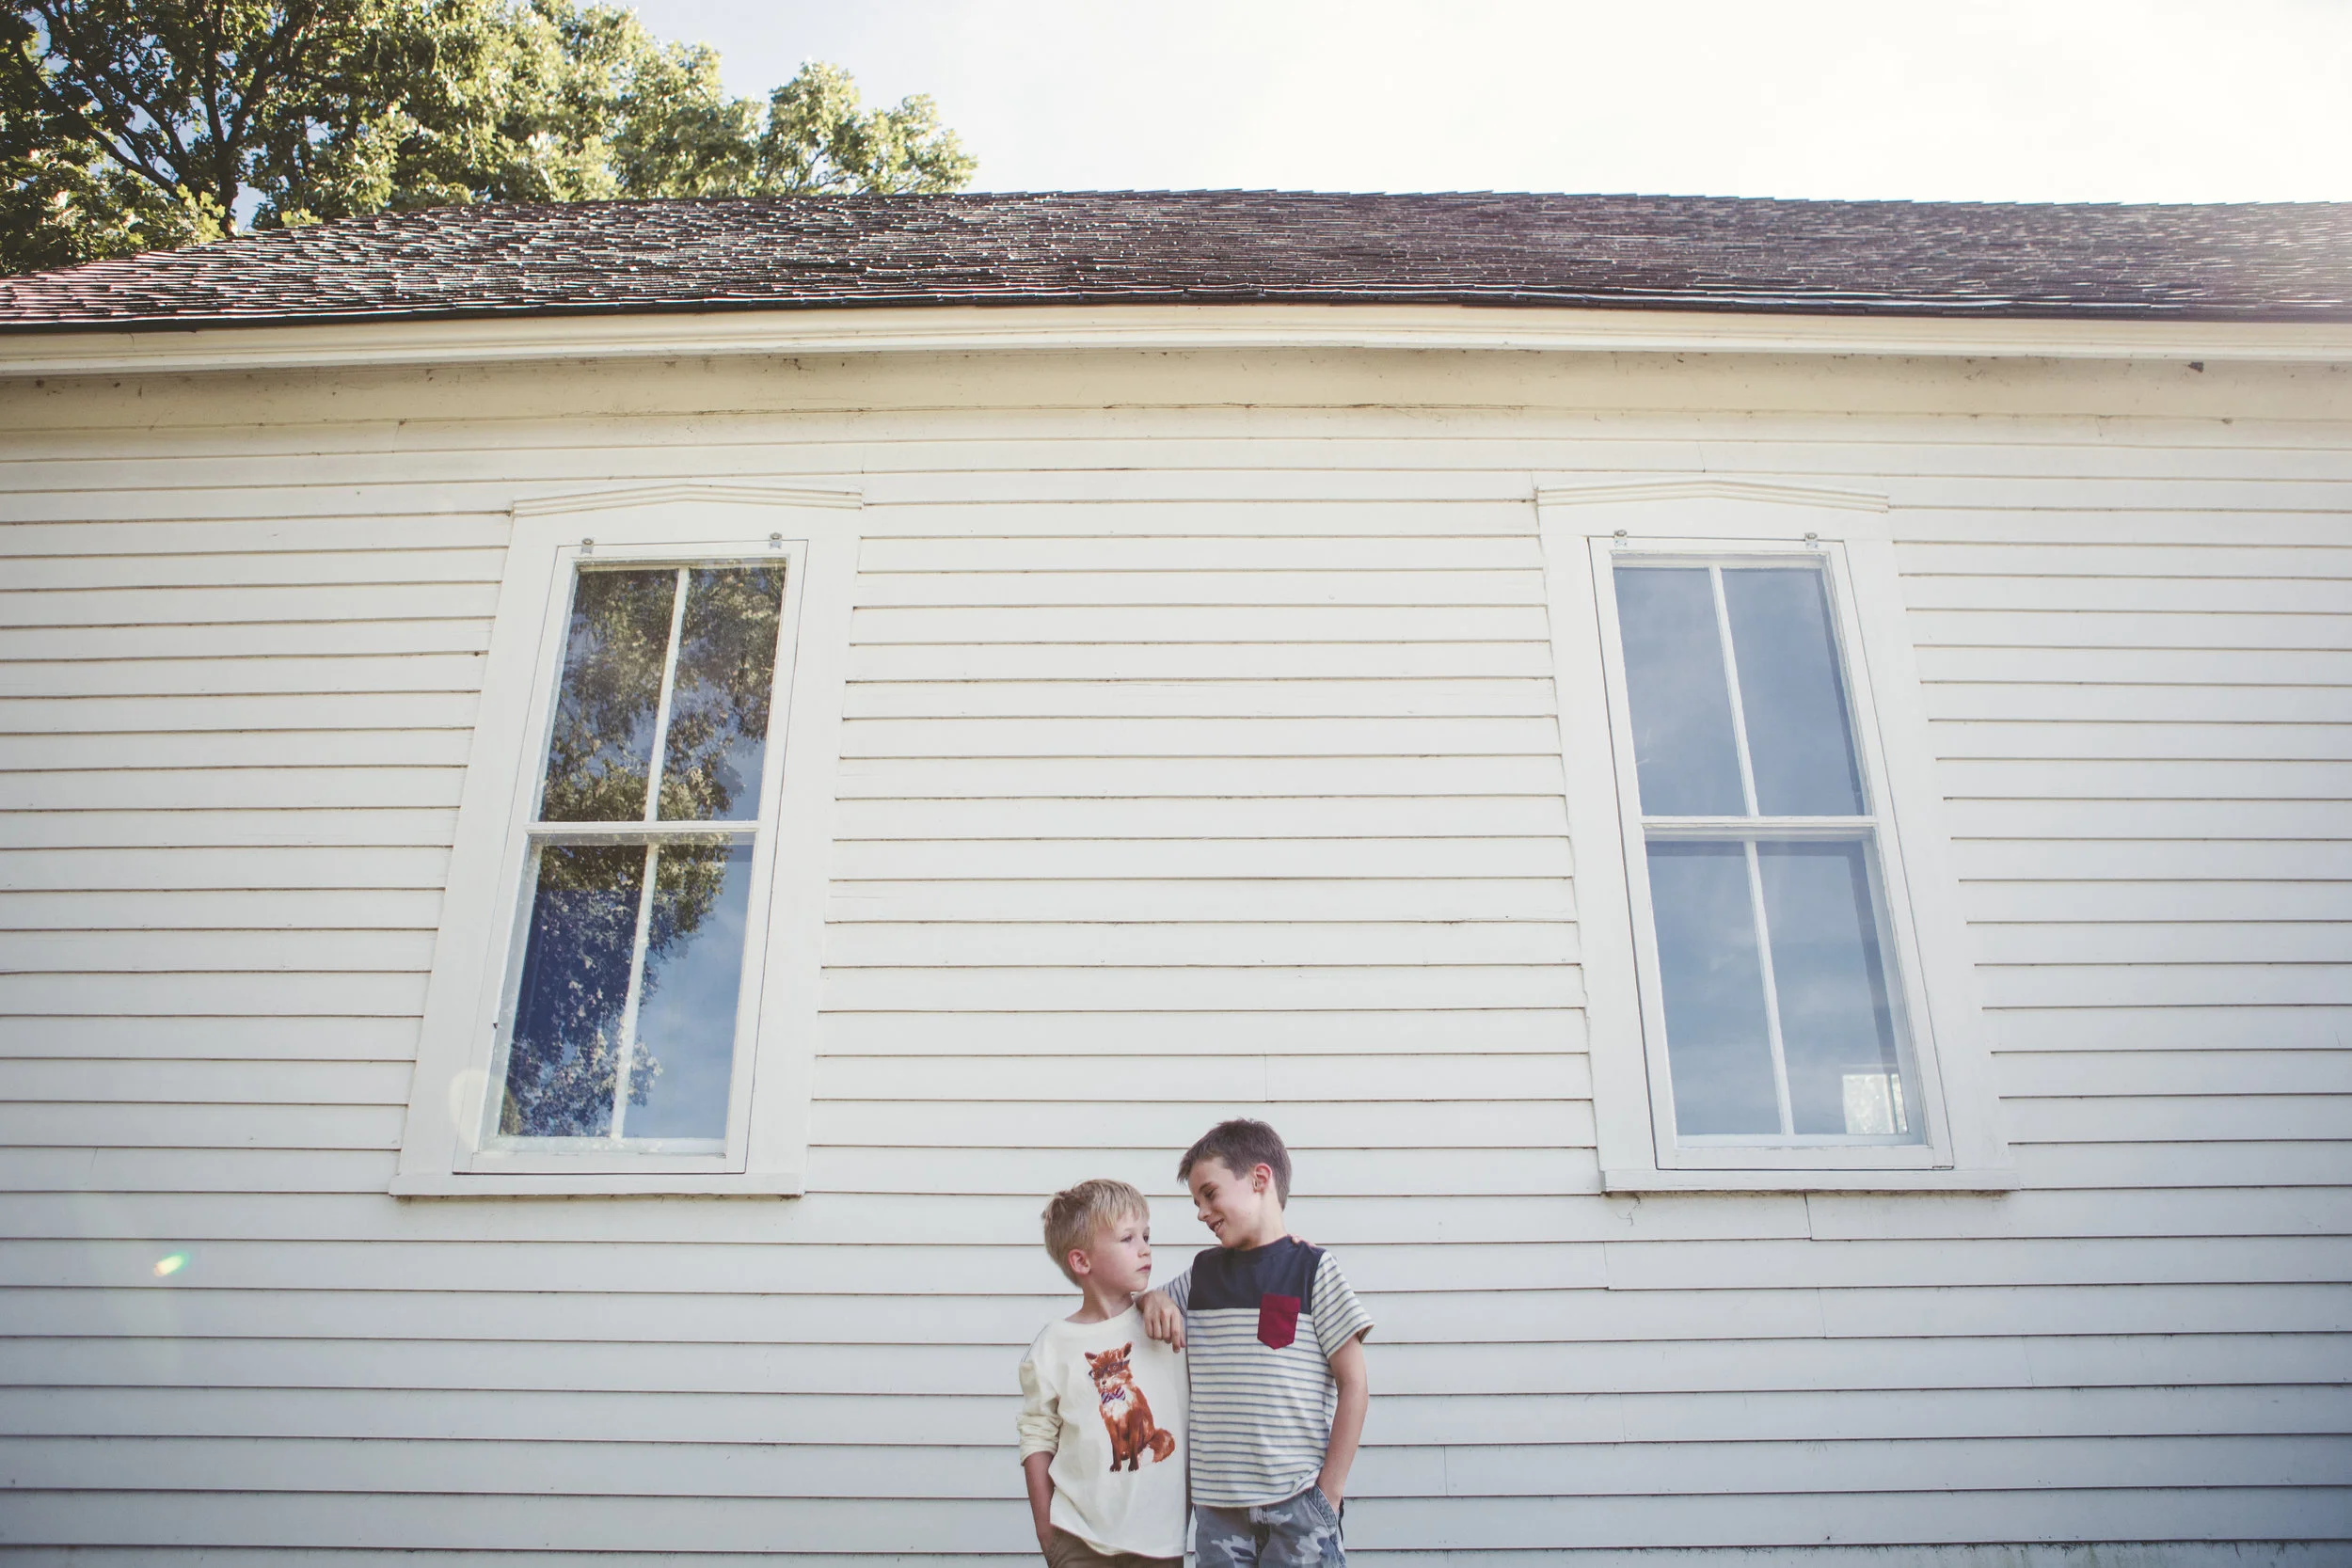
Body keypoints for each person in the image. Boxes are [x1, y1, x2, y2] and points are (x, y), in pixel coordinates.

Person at [1140, 1119, 1372, 1567]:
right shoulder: (1203, 1275)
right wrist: (1150, 1298)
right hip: (1218, 1515)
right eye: (1196, 1201)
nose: (1202, 1212)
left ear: (1259, 1180)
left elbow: (1355, 1385)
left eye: (1210, 1193)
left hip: (1300, 1505)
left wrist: (1330, 1493)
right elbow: (1142, 1309)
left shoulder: (1314, 1270)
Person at [1016, 1179, 1188, 1568]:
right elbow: (1036, 1437)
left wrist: (1154, 1297)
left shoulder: (1164, 1321)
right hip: (1078, 1540)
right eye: (1127, 1239)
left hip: (1157, 1542)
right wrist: (1048, 1534)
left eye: (1146, 1235)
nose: (1145, 1248)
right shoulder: (1054, 1344)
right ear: (1081, 1261)